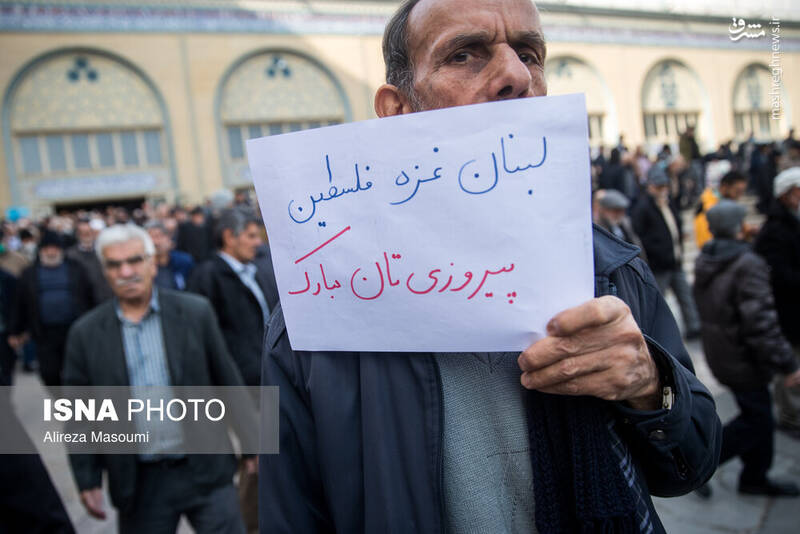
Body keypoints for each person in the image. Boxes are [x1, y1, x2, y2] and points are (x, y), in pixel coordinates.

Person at [258, 1, 721, 533]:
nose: (515, 76)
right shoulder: (311, 319)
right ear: (398, 111)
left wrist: (649, 385)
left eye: (530, 54)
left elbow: (693, 460)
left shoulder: (610, 270)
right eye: (465, 54)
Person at [63, 224, 251, 533]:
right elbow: (78, 415)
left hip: (205, 469)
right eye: (114, 264)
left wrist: (252, 443)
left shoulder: (194, 312)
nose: (126, 271)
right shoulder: (85, 334)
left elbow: (226, 378)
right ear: (104, 271)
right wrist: (87, 479)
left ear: (153, 262)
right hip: (139, 482)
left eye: (135, 260)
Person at [693, 200, 800, 496]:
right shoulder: (747, 264)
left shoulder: (708, 256)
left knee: (759, 418)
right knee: (756, 420)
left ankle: (754, 477)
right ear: (738, 227)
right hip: (743, 358)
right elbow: (761, 324)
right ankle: (701, 465)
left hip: (723, 353)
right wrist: (788, 364)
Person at [189, 209, 279, 531]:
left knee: (271, 455)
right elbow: (203, 340)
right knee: (257, 459)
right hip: (241, 382)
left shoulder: (257, 271)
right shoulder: (206, 277)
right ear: (229, 237)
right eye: (251, 236)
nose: (258, 243)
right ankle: (242, 522)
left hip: (268, 375)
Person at [8, 231, 95, 388]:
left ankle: (78, 405)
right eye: (47, 248)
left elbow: (90, 296)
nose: (51, 252)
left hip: (74, 329)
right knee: (49, 373)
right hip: (44, 333)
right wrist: (16, 331)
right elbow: (20, 303)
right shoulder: (29, 274)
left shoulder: (76, 269)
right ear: (41, 251)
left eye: (54, 248)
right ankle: (62, 403)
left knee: (78, 371)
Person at [754, 167, 800, 439]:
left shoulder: (791, 221)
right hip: (787, 309)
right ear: (786, 195)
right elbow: (781, 275)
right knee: (790, 363)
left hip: (794, 306)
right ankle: (790, 415)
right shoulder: (775, 229)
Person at [632, 165, 701, 339]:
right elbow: (640, 236)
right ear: (650, 187)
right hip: (659, 264)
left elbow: (674, 225)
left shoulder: (668, 204)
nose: (663, 190)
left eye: (665, 186)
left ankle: (693, 327)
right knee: (657, 300)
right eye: (659, 187)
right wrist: (657, 252)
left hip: (674, 260)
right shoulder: (644, 208)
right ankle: (657, 335)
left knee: (685, 295)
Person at [693, 170, 750, 249]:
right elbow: (706, 240)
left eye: (742, 192)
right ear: (725, 187)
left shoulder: (725, 204)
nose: (739, 196)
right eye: (737, 191)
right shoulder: (709, 207)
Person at [66, 218, 113, 303]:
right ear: (77, 234)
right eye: (82, 232)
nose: (86, 235)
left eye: (88, 232)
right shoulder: (70, 254)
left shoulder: (104, 251)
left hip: (106, 299)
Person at [593, 189, 646, 260]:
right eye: (615, 211)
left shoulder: (625, 223)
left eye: (622, 211)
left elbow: (636, 244)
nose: (619, 214)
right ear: (604, 210)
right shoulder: (599, 228)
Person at [145, 221, 195, 290]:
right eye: (150, 238)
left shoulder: (184, 261)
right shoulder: (144, 266)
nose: (155, 242)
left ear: (168, 238)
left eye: (159, 236)